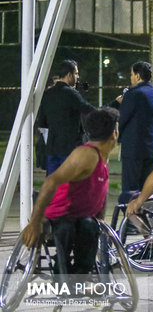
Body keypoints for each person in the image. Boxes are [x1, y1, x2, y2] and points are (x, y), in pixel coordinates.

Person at [23, 108, 119, 279]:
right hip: (61, 213)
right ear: (114, 132)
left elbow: (99, 190)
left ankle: (80, 276)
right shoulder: (86, 154)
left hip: (81, 215)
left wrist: (100, 215)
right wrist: (34, 222)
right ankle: (62, 276)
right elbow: (51, 181)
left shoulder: (103, 156)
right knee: (68, 228)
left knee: (90, 226)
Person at [37, 60, 96, 175]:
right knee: (69, 187)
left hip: (52, 149)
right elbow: (91, 111)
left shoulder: (47, 94)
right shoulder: (71, 94)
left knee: (53, 187)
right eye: (76, 73)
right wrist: (115, 104)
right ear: (69, 75)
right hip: (69, 150)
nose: (78, 77)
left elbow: (42, 123)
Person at [118, 61, 153, 199]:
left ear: (137, 76)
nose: (131, 78)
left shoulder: (133, 94)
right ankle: (144, 219)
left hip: (133, 149)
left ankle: (131, 220)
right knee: (146, 192)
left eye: (131, 74)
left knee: (130, 192)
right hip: (151, 149)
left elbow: (122, 118)